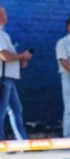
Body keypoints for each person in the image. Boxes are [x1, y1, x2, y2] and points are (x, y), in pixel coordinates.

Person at [0, 5, 31, 141]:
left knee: (16, 110)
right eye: (5, 13)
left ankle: (22, 142)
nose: (7, 15)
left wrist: (20, 60)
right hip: (3, 79)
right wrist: (22, 56)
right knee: (2, 111)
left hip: (9, 78)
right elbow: (4, 56)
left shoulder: (4, 34)